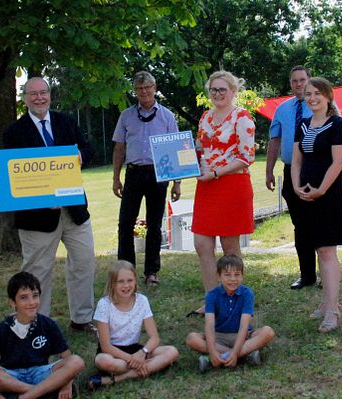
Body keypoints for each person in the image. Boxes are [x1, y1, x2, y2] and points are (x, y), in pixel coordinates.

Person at [1, 77, 97, 333]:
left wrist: (79, 156)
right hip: (36, 217)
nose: (39, 98)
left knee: (84, 262)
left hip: (74, 210)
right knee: (37, 272)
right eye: (33, 94)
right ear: (25, 98)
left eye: (43, 92)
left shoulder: (65, 121)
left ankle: (82, 318)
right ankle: (36, 323)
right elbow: (12, 177)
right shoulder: (14, 133)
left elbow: (88, 149)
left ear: (49, 95)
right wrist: (43, 199)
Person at [291, 77, 342, 333]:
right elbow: (296, 160)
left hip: (328, 195)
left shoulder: (338, 125)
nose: (312, 97)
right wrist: (296, 186)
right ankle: (327, 301)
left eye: (317, 93)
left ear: (328, 96)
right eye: (308, 93)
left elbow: (337, 163)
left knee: (328, 252)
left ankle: (332, 310)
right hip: (306, 194)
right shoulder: (303, 124)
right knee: (318, 249)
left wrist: (321, 191)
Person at [190, 70, 255, 315]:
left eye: (222, 89)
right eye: (213, 90)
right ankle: (211, 300)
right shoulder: (205, 117)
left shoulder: (242, 117)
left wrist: (216, 173)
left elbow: (246, 157)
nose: (217, 94)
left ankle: (235, 299)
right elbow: (198, 150)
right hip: (206, 187)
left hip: (232, 186)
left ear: (233, 91)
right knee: (201, 244)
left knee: (230, 247)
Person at [0, 272, 85, 399]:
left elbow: (68, 357)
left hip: (40, 372)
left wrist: (67, 384)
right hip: (12, 376)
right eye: (23, 298)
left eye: (35, 295)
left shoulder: (48, 324)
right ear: (12, 302)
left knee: (77, 361)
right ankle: (42, 392)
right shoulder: (3, 328)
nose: (31, 302)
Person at [112, 71, 181, 286]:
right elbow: (119, 148)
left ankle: (152, 271)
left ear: (154, 88)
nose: (144, 92)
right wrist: (116, 178)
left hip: (158, 174)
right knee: (125, 223)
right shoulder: (126, 116)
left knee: (154, 224)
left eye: (147, 87)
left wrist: (177, 183)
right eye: (139, 89)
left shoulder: (167, 116)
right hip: (133, 172)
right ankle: (125, 271)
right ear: (135, 91)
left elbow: (176, 149)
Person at [87, 260, 179, 389]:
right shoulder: (104, 304)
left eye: (130, 280)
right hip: (113, 353)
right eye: (120, 281)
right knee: (103, 361)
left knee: (171, 352)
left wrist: (142, 352)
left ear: (135, 281)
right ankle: (146, 367)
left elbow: (154, 337)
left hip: (136, 350)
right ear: (112, 284)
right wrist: (132, 360)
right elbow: (106, 346)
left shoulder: (142, 300)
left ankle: (117, 378)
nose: (126, 285)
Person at [265, 65, 317, 290]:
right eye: (294, 80)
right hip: (290, 172)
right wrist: (268, 170)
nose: (299, 84)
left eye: (302, 79)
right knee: (300, 225)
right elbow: (274, 140)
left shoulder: (320, 105)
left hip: (315, 170)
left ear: (309, 79)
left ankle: (326, 272)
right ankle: (307, 275)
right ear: (291, 83)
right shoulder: (283, 109)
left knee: (318, 223)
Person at [186, 254, 274, 373]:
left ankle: (223, 357)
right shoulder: (212, 295)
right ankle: (242, 356)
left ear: (242, 276)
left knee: (267, 332)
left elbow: (244, 326)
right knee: (192, 339)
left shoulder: (247, 294)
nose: (233, 279)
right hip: (219, 337)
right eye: (227, 275)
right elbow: (209, 326)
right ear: (219, 276)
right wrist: (212, 351)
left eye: (237, 274)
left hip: (243, 336)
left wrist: (235, 351)